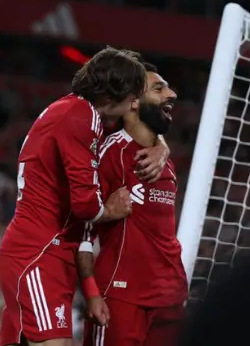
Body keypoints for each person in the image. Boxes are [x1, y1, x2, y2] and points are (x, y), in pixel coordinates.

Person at [0, 48, 170, 346]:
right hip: (38, 253)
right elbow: (86, 205)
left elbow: (145, 130)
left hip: (51, 252)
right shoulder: (81, 116)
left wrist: (162, 146)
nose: (135, 102)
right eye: (132, 95)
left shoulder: (76, 112)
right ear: (113, 95)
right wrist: (110, 210)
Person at [77, 62, 188, 346]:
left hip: (170, 298)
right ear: (133, 101)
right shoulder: (110, 154)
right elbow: (81, 229)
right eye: (159, 88)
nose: (171, 94)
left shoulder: (165, 161)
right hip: (121, 296)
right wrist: (91, 292)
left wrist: (162, 147)